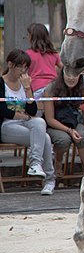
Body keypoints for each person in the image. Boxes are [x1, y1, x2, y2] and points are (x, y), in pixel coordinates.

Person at [0, 49, 56, 195]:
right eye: (20, 67)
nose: (23, 71)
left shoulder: (24, 83)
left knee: (40, 125)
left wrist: (27, 89)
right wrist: (23, 117)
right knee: (45, 138)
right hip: (7, 125)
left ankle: (36, 164)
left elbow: (32, 111)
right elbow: (3, 111)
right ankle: (49, 179)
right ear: (10, 65)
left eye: (26, 68)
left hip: (25, 123)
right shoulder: (2, 83)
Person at [43, 68, 84, 178]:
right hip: (55, 123)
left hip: (74, 121)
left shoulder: (83, 92)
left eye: (75, 74)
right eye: (68, 74)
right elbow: (50, 119)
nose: (71, 78)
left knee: (83, 136)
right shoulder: (51, 89)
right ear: (62, 74)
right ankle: (58, 161)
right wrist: (69, 131)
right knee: (63, 139)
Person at [25, 23, 63, 102]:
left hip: (36, 88)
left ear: (32, 37)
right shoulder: (53, 53)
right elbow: (63, 68)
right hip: (53, 87)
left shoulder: (28, 54)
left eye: (28, 35)